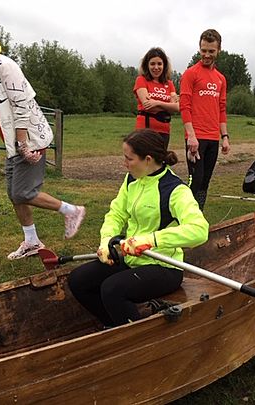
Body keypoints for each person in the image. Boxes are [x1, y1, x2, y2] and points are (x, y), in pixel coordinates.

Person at [0, 20, 85, 260]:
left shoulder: (6, 66)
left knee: (23, 192)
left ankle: (71, 211)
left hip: (28, 142)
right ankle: (31, 241)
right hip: (14, 143)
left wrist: (23, 145)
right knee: (14, 193)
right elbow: (5, 104)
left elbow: (21, 107)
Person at [68, 129, 209, 327]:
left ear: (148, 159)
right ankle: (116, 326)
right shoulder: (132, 179)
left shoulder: (175, 190)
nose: (124, 163)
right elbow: (116, 213)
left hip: (164, 266)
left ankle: (138, 336)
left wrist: (150, 240)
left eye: (129, 158)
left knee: (112, 289)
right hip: (131, 258)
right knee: (78, 280)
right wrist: (106, 240)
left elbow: (199, 230)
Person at [180, 28, 231, 210]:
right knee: (196, 179)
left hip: (213, 138)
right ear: (199, 48)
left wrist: (224, 136)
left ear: (219, 50)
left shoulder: (220, 79)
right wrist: (191, 136)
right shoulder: (190, 74)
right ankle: (186, 217)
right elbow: (184, 107)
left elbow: (221, 108)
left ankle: (198, 216)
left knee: (206, 181)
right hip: (195, 138)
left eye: (211, 51)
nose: (206, 55)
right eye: (203, 50)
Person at [133, 47, 179, 147]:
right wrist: (168, 105)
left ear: (164, 65)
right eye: (152, 64)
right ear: (147, 65)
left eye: (159, 64)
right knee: (145, 161)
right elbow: (147, 105)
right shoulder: (141, 80)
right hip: (145, 130)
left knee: (160, 161)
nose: (156, 67)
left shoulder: (169, 84)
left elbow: (177, 108)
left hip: (164, 130)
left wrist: (157, 103)